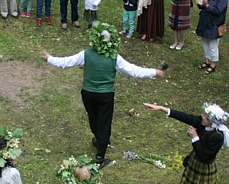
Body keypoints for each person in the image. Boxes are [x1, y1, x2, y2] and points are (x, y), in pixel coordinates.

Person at [42, 22, 165, 167]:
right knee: (104, 123)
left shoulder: (86, 54)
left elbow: (66, 62)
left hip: (87, 94)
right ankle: (100, 156)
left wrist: (50, 58)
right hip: (105, 96)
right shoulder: (114, 57)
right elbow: (133, 70)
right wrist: (154, 72)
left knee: (93, 118)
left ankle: (99, 139)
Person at [143, 103, 229, 184]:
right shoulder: (202, 123)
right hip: (194, 164)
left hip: (204, 169)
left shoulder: (217, 136)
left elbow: (205, 156)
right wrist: (161, 109)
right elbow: (186, 117)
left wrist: (195, 137)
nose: (202, 117)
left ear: (212, 122)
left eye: (205, 117)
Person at [195, 0, 228, 74]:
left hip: (214, 25)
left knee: (213, 46)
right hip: (204, 22)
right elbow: (204, 3)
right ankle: (207, 61)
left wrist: (207, 6)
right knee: (205, 43)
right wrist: (201, 4)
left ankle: (213, 64)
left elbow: (218, 11)